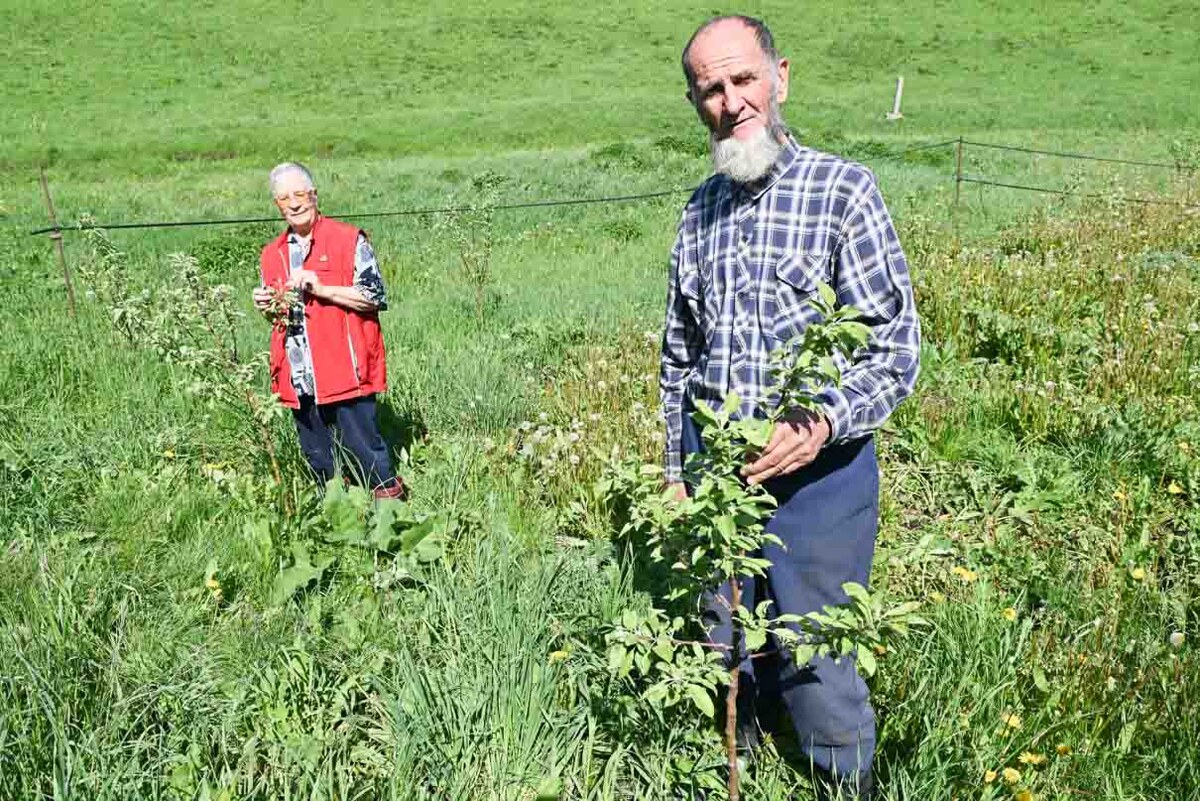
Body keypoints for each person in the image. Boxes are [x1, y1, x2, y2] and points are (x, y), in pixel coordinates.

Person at [660, 15, 920, 797]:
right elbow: (679, 355)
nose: (731, 100)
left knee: (817, 653)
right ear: (695, 101)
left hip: (822, 479)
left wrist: (818, 424)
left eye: (744, 79)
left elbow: (896, 345)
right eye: (712, 87)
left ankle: (844, 779)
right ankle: (737, 760)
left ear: (780, 77)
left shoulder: (843, 190)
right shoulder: (698, 211)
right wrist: (677, 470)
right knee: (720, 635)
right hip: (717, 478)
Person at [253, 162, 406, 499]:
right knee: (319, 457)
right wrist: (267, 305)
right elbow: (278, 318)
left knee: (365, 449)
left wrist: (320, 288)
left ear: (315, 195)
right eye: (283, 198)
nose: (293, 203)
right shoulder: (271, 254)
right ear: (277, 205)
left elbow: (374, 296)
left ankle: (392, 517)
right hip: (299, 375)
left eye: (299, 194)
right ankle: (339, 516)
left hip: (345, 369)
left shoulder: (349, 239)